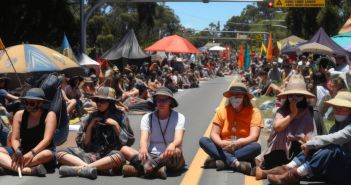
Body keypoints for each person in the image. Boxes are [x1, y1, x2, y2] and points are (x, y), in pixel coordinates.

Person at [265, 91, 351, 184]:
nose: (337, 111)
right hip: (334, 167)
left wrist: (310, 143)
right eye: (335, 108)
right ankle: (287, 168)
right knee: (318, 146)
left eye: (341, 109)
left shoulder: (312, 113)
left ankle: (294, 175)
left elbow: (336, 138)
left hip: (346, 171)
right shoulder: (336, 126)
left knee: (331, 148)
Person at [56, 87, 128, 179]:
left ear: (110, 102)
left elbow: (126, 142)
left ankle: (80, 168)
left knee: (118, 156)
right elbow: (84, 145)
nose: (98, 103)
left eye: (102, 101)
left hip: (109, 157)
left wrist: (116, 125)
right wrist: (90, 126)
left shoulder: (121, 116)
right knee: (60, 153)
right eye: (97, 100)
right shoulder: (91, 116)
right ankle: (88, 168)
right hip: (90, 156)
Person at [254, 74, 317, 176]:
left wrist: (297, 138)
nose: (295, 98)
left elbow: (310, 138)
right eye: (291, 96)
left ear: (304, 97)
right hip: (280, 150)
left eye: (298, 95)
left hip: (298, 150)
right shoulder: (282, 110)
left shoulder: (309, 113)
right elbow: (278, 127)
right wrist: (292, 114)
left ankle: (266, 173)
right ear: (287, 97)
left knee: (301, 157)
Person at [120, 87, 185, 179]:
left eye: (164, 100)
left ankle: (142, 168)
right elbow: (143, 139)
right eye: (159, 100)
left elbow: (178, 138)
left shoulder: (179, 117)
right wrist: (143, 148)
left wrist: (173, 144)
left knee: (176, 150)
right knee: (124, 149)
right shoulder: (147, 117)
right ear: (155, 101)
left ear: (170, 101)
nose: (161, 103)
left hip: (169, 154)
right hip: (151, 154)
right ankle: (156, 171)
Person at [199, 82, 263, 175]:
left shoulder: (254, 112)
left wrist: (237, 143)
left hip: (242, 147)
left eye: (238, 95)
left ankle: (222, 162)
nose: (234, 97)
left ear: (244, 97)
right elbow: (213, 133)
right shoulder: (222, 110)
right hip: (224, 147)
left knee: (256, 147)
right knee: (203, 141)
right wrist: (221, 143)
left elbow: (254, 137)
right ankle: (235, 162)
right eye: (232, 95)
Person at [0, 88, 57, 176]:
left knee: (47, 154)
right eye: (26, 103)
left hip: (40, 151)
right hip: (22, 150)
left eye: (31, 103)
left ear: (40, 103)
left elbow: (47, 140)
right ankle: (27, 171)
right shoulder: (19, 115)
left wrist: (32, 153)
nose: (28, 106)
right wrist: (17, 151)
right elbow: (15, 138)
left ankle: (9, 167)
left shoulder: (50, 115)